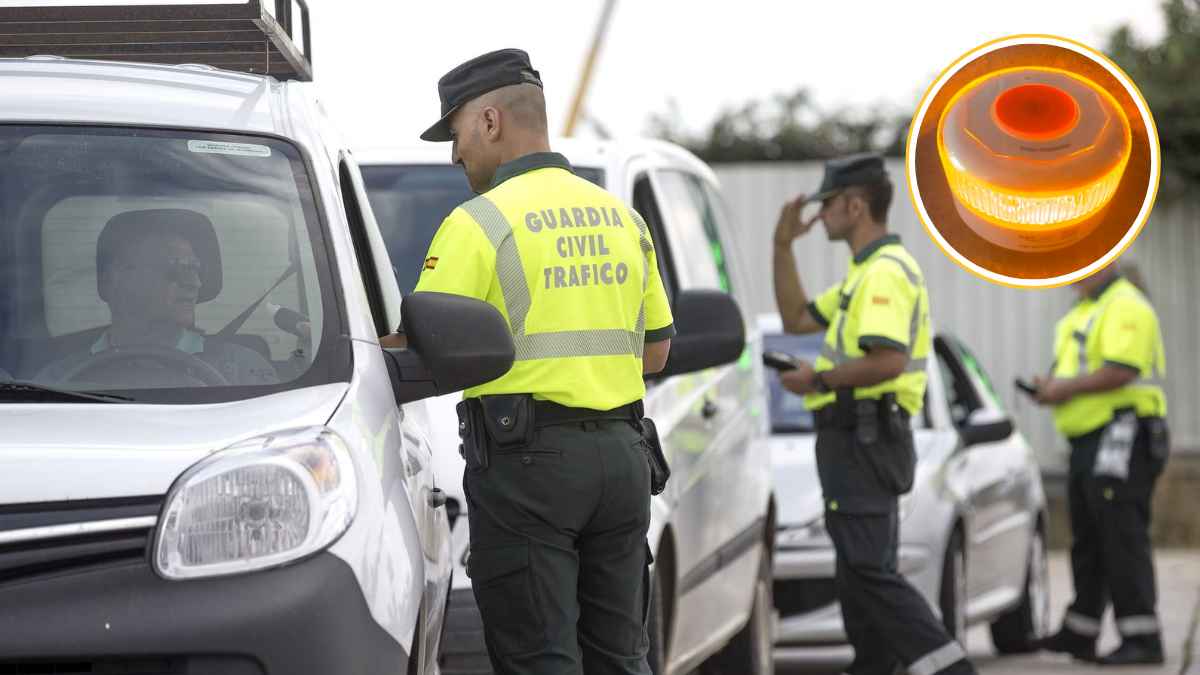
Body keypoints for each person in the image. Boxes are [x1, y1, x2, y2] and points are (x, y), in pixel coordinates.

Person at [413, 49, 674, 675]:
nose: (455, 155)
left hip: (528, 471)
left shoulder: (477, 223)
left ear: (490, 122)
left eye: (455, 134)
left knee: (539, 660)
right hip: (622, 460)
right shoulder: (623, 218)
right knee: (620, 657)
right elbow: (657, 351)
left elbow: (425, 348)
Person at [773, 153, 975, 675]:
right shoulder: (864, 274)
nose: (819, 217)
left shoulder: (883, 274)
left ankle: (952, 668)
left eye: (827, 205)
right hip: (857, 440)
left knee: (866, 570)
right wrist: (781, 245)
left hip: (865, 438)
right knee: (858, 575)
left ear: (855, 205)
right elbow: (796, 318)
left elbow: (885, 360)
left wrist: (815, 379)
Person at [1032, 263, 1168, 666]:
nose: (1071, 270)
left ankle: (1143, 639)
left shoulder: (1126, 304)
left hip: (1122, 434)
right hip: (1089, 439)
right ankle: (1081, 630)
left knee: (1122, 536)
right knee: (1089, 538)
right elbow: (1080, 370)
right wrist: (1051, 389)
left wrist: (1063, 388)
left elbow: (1121, 370)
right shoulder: (1082, 310)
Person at [37, 209, 278, 387]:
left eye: (195, 268)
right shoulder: (58, 380)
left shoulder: (243, 371)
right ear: (116, 278)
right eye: (176, 267)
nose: (195, 283)